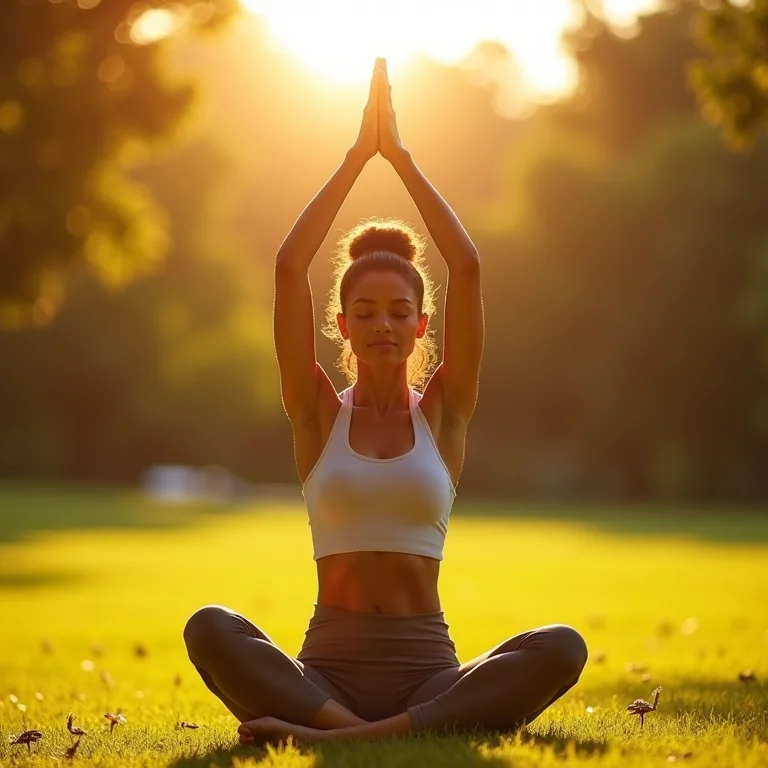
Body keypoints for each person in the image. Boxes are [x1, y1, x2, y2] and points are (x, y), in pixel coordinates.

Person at [182, 57, 588, 747]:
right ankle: (372, 730)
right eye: (365, 313)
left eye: (400, 312)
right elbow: (288, 267)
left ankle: (335, 738)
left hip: (428, 673)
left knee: (563, 646)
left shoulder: (445, 413)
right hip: (325, 674)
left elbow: (467, 267)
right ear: (341, 325)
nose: (383, 325)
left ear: (422, 324)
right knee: (210, 627)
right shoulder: (316, 414)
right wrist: (354, 159)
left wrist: (399, 158)